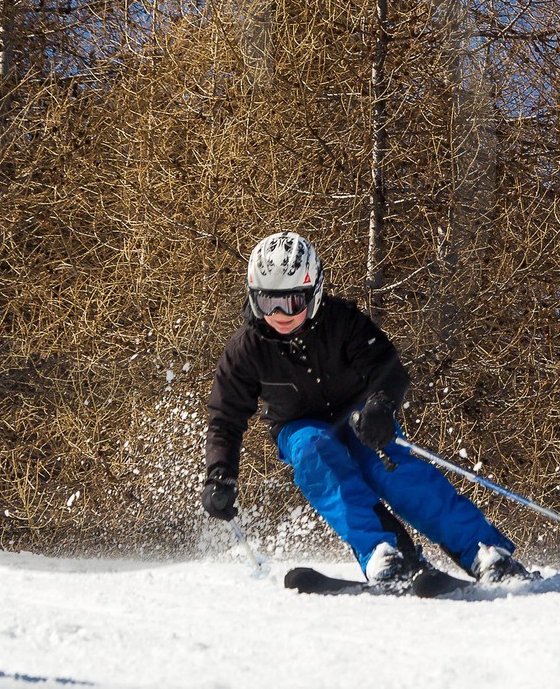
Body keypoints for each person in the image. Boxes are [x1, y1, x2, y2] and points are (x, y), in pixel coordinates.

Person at [201, 230, 533, 591]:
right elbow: (225, 418)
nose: (280, 314)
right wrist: (221, 475)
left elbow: (387, 367)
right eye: (268, 303)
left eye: (292, 301)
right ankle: (384, 554)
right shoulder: (245, 350)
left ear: (313, 293)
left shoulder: (341, 320)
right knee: (315, 454)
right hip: (297, 425)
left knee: (394, 473)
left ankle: (484, 552)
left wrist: (380, 405)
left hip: (360, 414)